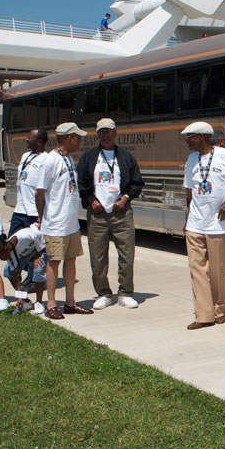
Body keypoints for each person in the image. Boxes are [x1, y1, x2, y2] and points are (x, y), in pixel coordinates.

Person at [182, 122, 225, 330]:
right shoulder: (191, 159)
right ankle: (204, 314)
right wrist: (187, 218)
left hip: (219, 224)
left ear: (202, 137)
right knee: (197, 269)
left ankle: (219, 309)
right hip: (195, 223)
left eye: (190, 137)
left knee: (218, 270)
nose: (186, 141)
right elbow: (189, 191)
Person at [77, 118, 144, 310]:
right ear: (97, 134)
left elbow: (137, 182)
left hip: (121, 214)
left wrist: (125, 198)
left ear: (115, 133)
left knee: (127, 255)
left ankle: (125, 293)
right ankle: (103, 293)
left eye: (108, 131)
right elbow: (80, 184)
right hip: (97, 215)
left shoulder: (125, 156)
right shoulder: (89, 157)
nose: (105, 135)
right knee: (97, 258)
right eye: (101, 132)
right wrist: (92, 201)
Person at [35, 122, 92, 320]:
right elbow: (40, 192)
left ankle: (70, 302)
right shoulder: (51, 160)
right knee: (54, 262)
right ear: (69, 138)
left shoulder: (67, 158)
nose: (81, 141)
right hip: (56, 223)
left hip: (71, 224)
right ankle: (51, 303)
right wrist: (42, 217)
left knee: (71, 260)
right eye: (78, 137)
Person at [0, 226, 47, 315]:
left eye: (1, 257)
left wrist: (38, 255)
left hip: (41, 246)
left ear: (5, 250)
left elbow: (37, 234)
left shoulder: (22, 237)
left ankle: (39, 302)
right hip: (28, 252)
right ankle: (26, 302)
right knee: (8, 272)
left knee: (38, 269)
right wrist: (20, 296)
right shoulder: (10, 254)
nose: (2, 260)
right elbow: (15, 274)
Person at [9, 129, 48, 235]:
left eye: (30, 138)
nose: (27, 140)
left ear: (39, 141)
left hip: (33, 212)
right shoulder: (25, 155)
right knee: (12, 244)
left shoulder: (46, 159)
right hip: (19, 210)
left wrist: (41, 215)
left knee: (33, 246)